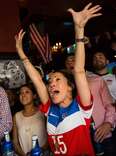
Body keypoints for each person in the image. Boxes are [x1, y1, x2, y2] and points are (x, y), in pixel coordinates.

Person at [15, 3, 102, 156]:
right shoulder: (50, 109)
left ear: (70, 87)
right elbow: (37, 81)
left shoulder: (82, 108)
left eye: (57, 80)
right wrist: (21, 54)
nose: (51, 83)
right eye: (50, 81)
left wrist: (79, 30)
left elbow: (79, 71)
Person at [65, 52, 115, 156]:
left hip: (103, 133)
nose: (71, 63)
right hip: (81, 138)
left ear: (80, 61)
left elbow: (109, 105)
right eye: (68, 62)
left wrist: (108, 123)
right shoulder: (64, 88)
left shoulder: (96, 79)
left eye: (74, 59)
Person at [12, 83, 48, 155]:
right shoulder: (16, 116)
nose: (23, 95)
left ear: (34, 96)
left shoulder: (43, 113)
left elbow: (49, 138)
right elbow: (15, 143)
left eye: (27, 92)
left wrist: (39, 151)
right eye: (21, 93)